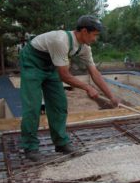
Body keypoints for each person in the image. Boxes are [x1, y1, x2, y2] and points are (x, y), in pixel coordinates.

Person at [19, 15, 120, 162]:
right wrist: (86, 87)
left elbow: (94, 73)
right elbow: (65, 76)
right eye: (95, 35)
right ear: (84, 31)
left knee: (59, 104)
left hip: (50, 66)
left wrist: (111, 96)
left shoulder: (85, 48)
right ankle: (30, 148)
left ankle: (61, 143)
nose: (95, 39)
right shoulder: (61, 41)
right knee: (32, 107)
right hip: (32, 62)